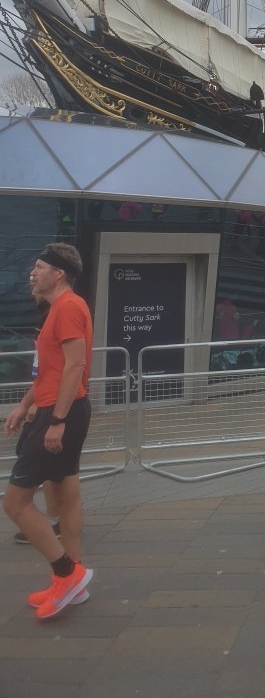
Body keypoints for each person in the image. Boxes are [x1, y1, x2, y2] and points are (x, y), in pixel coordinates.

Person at [3, 244, 94, 619]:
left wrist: (56, 421)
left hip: (61, 413)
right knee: (64, 495)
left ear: (59, 273)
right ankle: (72, 584)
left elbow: (75, 366)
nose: (32, 273)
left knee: (15, 503)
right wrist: (24, 404)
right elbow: (49, 371)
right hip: (58, 408)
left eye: (39, 267)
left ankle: (67, 574)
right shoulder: (58, 309)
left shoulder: (69, 307)